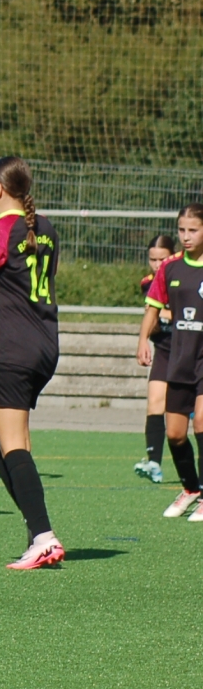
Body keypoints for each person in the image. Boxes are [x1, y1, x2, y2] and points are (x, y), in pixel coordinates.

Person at [0, 156, 64, 569]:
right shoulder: (46, 228)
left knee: (13, 442)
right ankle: (35, 528)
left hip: (9, 347)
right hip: (43, 343)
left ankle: (43, 535)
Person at [141, 209, 203, 522]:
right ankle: (191, 488)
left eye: (193, 230)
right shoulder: (170, 267)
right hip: (181, 358)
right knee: (176, 434)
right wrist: (142, 340)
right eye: (181, 230)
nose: (186, 236)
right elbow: (153, 307)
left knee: (201, 423)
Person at [135, 233, 178, 484]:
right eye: (153, 259)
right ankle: (154, 462)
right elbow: (152, 318)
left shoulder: (186, 276)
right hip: (163, 349)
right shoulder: (148, 283)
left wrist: (163, 313)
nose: (157, 264)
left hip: (189, 351)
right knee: (154, 403)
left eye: (162, 259)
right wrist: (147, 334)